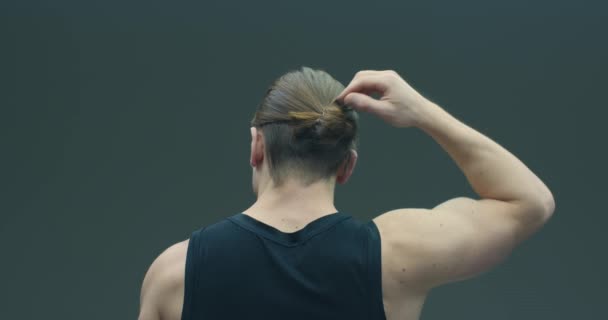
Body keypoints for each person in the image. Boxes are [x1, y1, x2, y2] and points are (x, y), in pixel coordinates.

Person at [138, 67, 555, 320]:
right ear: (348, 165)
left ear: (257, 147)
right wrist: (422, 112)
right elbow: (529, 202)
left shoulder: (175, 274)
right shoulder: (397, 255)